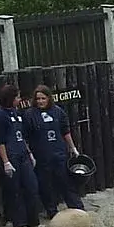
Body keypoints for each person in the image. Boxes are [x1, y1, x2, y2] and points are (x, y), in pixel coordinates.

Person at [0, 84, 40, 227]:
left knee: (32, 186)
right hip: (11, 156)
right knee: (15, 190)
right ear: (10, 98)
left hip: (23, 154)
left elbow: (22, 135)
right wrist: (6, 162)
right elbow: (0, 141)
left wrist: (30, 153)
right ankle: (20, 222)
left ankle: (33, 220)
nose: (19, 99)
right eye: (17, 97)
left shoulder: (17, 113)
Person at [28, 85, 83, 217]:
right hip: (41, 156)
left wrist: (73, 148)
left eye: (43, 98)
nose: (40, 101)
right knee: (46, 186)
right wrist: (30, 154)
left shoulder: (58, 111)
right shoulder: (30, 114)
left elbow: (65, 131)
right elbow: (26, 137)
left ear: (49, 98)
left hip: (59, 154)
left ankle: (77, 208)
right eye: (38, 99)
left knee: (66, 182)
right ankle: (51, 211)